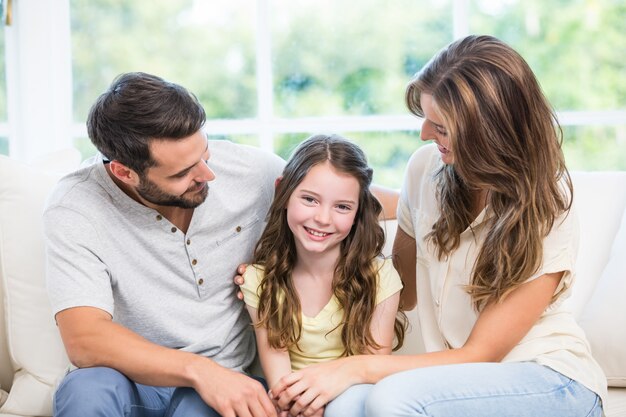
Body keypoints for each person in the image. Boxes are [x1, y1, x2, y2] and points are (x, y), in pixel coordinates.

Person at [265, 35, 608, 417]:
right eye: (427, 119)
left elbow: (482, 355)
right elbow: (403, 291)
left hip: (551, 381)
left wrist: (351, 367)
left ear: (488, 135)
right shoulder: (426, 170)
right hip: (462, 384)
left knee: (390, 398)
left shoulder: (548, 204)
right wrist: (285, 266)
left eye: (441, 127)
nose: (425, 134)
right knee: (345, 404)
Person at [44, 72, 286, 417]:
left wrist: (396, 205)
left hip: (223, 387)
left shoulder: (251, 171)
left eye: (205, 153)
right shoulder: (76, 206)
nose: (208, 175)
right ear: (124, 172)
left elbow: (347, 200)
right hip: (130, 383)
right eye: (181, 173)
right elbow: (84, 339)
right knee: (88, 389)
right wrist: (199, 370)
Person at [239, 134, 406, 417]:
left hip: (354, 397)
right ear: (284, 192)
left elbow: (372, 368)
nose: (323, 219)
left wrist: (322, 404)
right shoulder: (259, 279)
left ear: (357, 212)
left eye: (342, 206)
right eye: (310, 200)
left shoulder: (378, 276)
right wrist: (297, 407)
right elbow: (279, 376)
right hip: (292, 401)